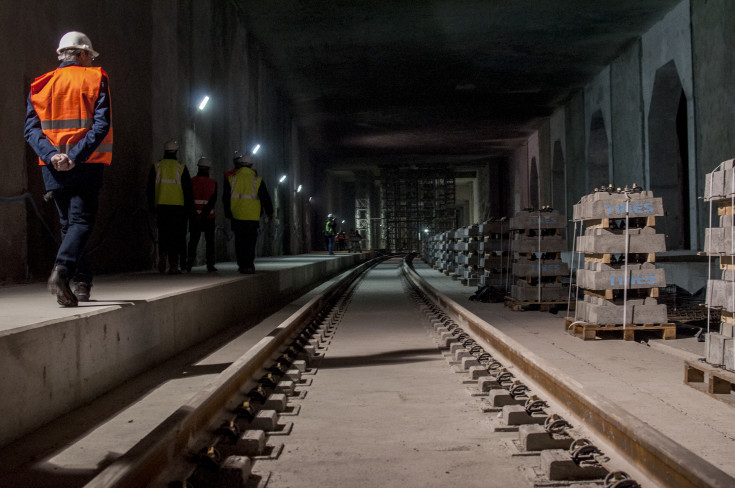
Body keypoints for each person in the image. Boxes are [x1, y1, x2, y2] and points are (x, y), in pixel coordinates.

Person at [24, 31, 113, 306]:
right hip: (85, 163)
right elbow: (101, 125)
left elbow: (31, 129)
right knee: (81, 222)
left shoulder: (41, 84)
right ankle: (63, 270)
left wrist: (52, 156)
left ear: (61, 54)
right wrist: (74, 156)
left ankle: (81, 282)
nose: (90, 60)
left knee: (68, 224)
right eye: (89, 55)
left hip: (51, 167)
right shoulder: (96, 77)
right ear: (83, 53)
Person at [147, 139, 193, 274]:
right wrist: (189, 210)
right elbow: (188, 191)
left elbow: (150, 189)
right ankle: (173, 264)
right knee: (176, 236)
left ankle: (162, 255)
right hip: (178, 207)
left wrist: (151, 206)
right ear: (176, 152)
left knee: (163, 233)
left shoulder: (157, 167)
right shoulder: (181, 168)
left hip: (161, 206)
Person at [223, 152, 273, 274]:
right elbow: (265, 198)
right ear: (251, 165)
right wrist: (269, 213)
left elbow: (225, 198)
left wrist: (228, 213)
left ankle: (241, 265)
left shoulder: (231, 179)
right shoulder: (257, 180)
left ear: (239, 165)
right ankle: (249, 265)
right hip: (252, 216)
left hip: (237, 215)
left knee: (239, 241)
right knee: (250, 242)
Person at [188, 157, 217, 272]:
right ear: (208, 169)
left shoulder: (191, 181)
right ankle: (210, 264)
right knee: (209, 242)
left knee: (193, 241)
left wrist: (196, 214)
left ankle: (189, 263)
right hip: (209, 217)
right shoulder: (213, 183)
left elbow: (189, 199)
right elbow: (212, 201)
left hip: (195, 217)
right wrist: (204, 214)